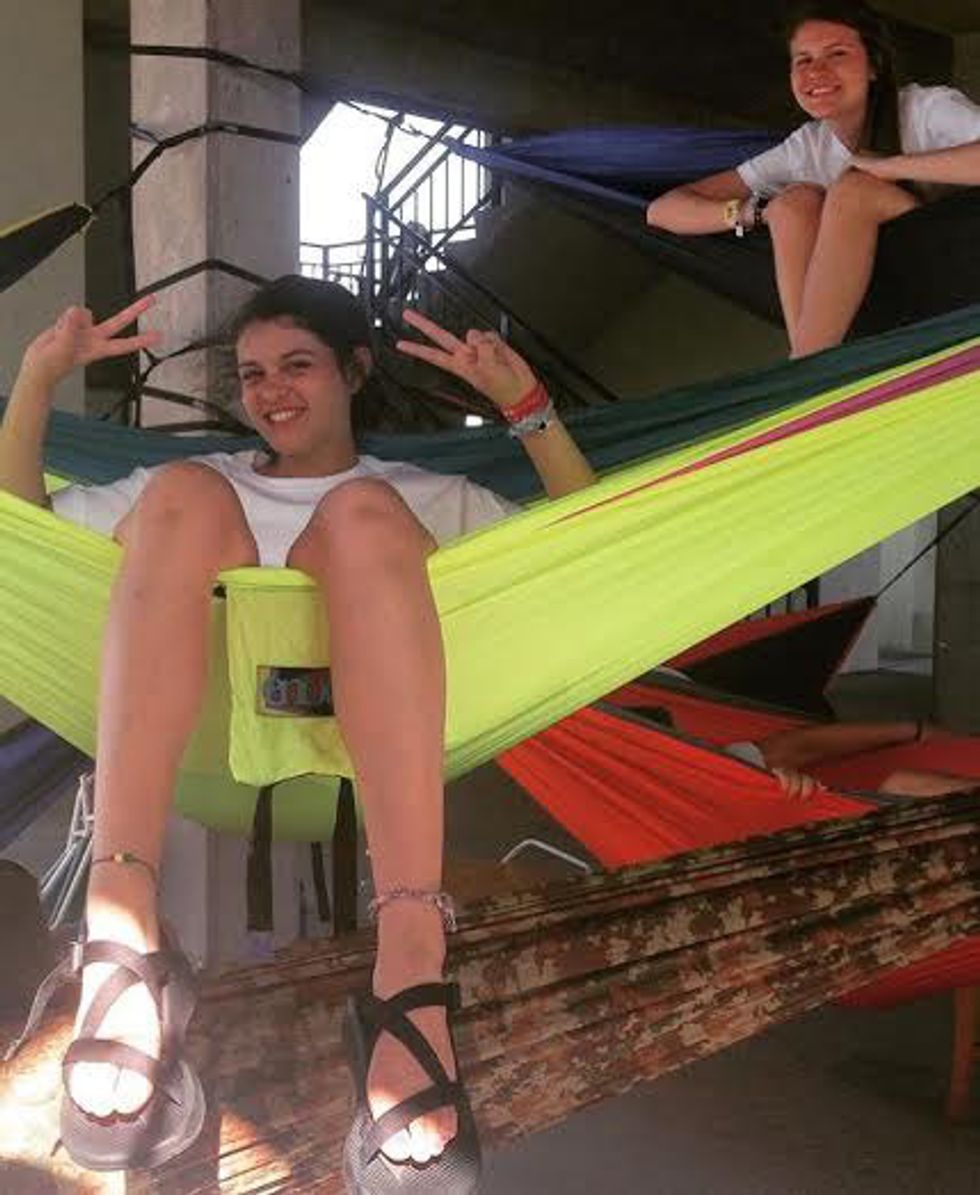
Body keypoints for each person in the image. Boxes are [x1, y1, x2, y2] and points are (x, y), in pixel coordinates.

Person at [0, 276, 596, 1188]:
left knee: (362, 516)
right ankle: (120, 924)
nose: (272, 390)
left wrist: (528, 406)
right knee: (186, 493)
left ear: (354, 370)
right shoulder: (192, 488)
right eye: (252, 374)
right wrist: (37, 381)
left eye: (297, 365)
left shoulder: (423, 495)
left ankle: (410, 954)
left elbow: (585, 550)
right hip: (198, 740)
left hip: (371, 755)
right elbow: (22, 543)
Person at [645, 0, 980, 357]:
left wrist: (891, 167)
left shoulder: (925, 108)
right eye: (803, 60)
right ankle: (810, 357)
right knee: (793, 204)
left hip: (954, 275)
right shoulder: (805, 148)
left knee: (856, 190)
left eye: (837, 54)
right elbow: (661, 211)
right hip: (879, 302)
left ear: (874, 66)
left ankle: (807, 363)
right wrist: (753, 213)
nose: (816, 71)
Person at [723, 718, 978, 800]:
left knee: (900, 784)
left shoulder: (711, 767)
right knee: (900, 785)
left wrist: (912, 732)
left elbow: (793, 748)